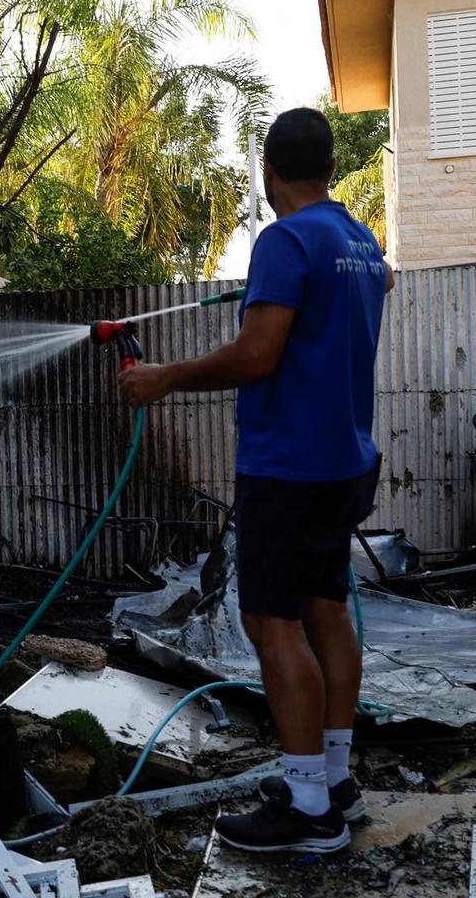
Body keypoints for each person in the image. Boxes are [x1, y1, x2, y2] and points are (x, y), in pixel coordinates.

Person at [118, 106, 390, 854]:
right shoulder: (361, 242)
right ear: (331, 170)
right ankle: (333, 778)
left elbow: (257, 355)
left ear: (269, 175)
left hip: (289, 466)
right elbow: (345, 307)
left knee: (272, 625)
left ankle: (307, 810)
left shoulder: (286, 239)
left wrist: (162, 378)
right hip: (345, 462)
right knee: (325, 613)